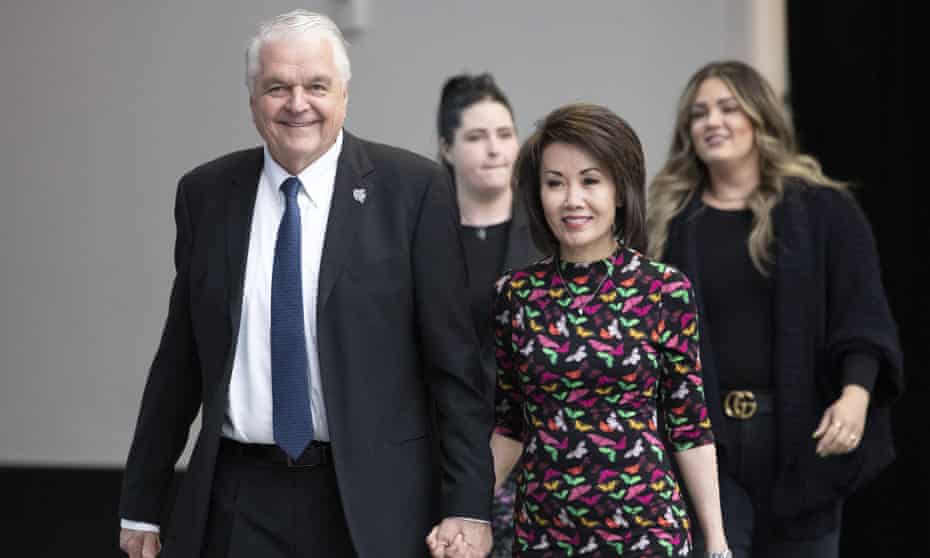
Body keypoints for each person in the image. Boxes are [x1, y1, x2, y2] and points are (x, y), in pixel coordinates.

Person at [118, 10, 494, 558]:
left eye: (316, 85)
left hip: (372, 503)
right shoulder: (206, 195)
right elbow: (180, 361)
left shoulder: (412, 192)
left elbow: (454, 368)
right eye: (277, 87)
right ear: (253, 100)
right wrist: (142, 503)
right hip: (239, 498)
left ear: (343, 93)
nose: (298, 104)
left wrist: (467, 505)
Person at [646, 60, 903, 557]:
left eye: (727, 107)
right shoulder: (669, 219)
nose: (712, 122)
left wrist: (854, 396)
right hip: (705, 447)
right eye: (698, 114)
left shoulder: (823, 209)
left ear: (760, 117)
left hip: (802, 441)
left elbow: (862, 313)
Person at [485, 103, 730, 557]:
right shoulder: (515, 295)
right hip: (544, 534)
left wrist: (716, 541)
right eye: (554, 183)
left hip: (647, 532)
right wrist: (472, 515)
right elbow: (509, 423)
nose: (572, 199)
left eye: (590, 181)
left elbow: (689, 424)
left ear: (620, 190)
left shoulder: (664, 289)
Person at [434, 72, 540, 557]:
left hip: (535, 454)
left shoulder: (546, 236)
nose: (494, 149)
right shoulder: (424, 238)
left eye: (504, 134)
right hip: (445, 451)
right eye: (476, 137)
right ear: (446, 147)